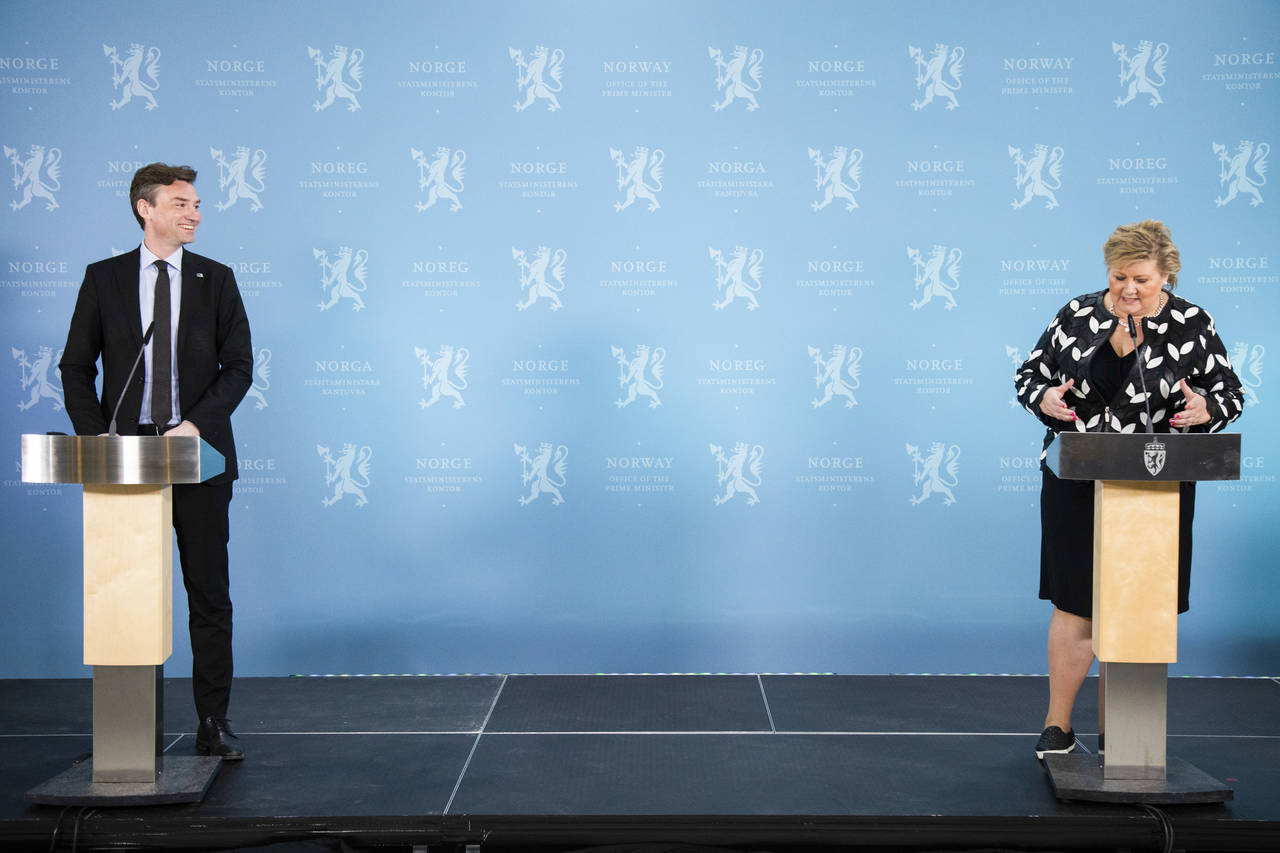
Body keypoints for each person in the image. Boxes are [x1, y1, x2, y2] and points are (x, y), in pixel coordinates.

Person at [1014, 220, 1243, 760]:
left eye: (1141, 278)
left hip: (1156, 487)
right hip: (1077, 478)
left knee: (1139, 606)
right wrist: (1044, 397)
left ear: (1167, 277)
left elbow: (1229, 392)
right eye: (1119, 278)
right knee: (1077, 604)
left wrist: (1204, 408)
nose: (1129, 290)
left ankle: (1123, 729)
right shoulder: (1078, 315)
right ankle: (1058, 727)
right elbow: (1029, 375)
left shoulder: (1193, 324)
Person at [60, 163, 253, 760]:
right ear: (145, 208)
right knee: (125, 592)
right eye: (180, 203)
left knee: (208, 593)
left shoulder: (215, 279)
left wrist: (195, 425)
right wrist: (100, 443)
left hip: (197, 451)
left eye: (196, 204)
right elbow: (75, 368)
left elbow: (239, 366)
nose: (193, 213)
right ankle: (128, 730)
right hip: (125, 457)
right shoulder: (105, 279)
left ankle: (212, 723)